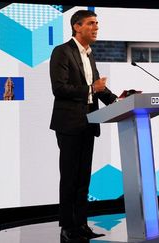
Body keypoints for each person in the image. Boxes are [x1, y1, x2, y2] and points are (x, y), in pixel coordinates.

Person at [49, 10, 117, 242]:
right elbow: (59, 89)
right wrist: (91, 89)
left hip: (89, 122)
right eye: (91, 23)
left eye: (97, 23)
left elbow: (99, 88)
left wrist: (120, 100)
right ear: (77, 27)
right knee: (69, 177)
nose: (96, 27)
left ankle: (82, 225)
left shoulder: (89, 55)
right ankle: (67, 227)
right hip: (69, 124)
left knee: (83, 179)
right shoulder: (62, 52)